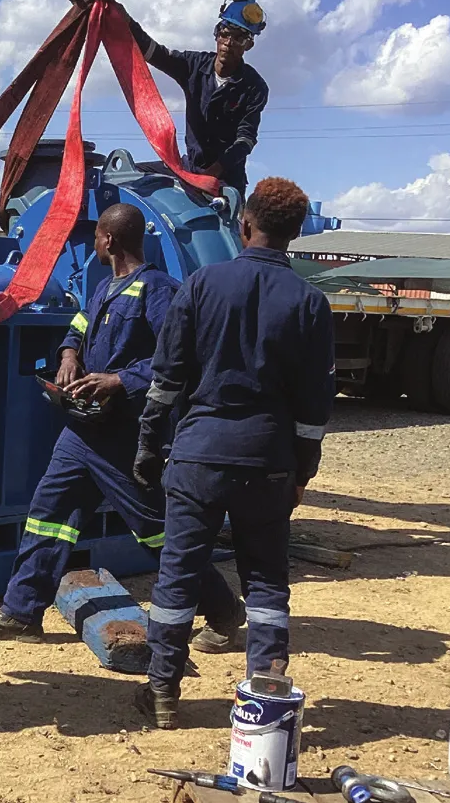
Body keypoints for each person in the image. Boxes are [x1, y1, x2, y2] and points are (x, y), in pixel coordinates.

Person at [0, 203, 242, 647]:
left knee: (157, 532)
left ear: (109, 240)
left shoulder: (158, 290)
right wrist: (69, 355)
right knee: (47, 516)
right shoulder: (105, 288)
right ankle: (21, 613)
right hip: (81, 433)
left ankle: (225, 613)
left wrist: (118, 380)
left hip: (125, 437)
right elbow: (79, 327)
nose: (93, 243)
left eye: (96, 237)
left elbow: (179, 361)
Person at [131, 177, 336, 730]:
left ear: (244, 224)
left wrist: (150, 445)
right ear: (295, 233)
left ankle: (164, 694)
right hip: (269, 463)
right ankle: (266, 697)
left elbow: (167, 380)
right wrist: (302, 471)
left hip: (199, 457)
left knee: (177, 576)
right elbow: (315, 406)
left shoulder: (201, 285)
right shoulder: (310, 304)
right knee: (267, 582)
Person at [124, 0, 269, 197]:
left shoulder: (254, 87)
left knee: (220, 226)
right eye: (225, 34)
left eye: (238, 39)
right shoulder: (194, 66)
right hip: (189, 169)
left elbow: (245, 140)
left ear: (249, 45)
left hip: (225, 181)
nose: (228, 43)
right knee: (130, 176)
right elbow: (156, 53)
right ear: (216, 34)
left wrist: (213, 174)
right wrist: (124, 20)